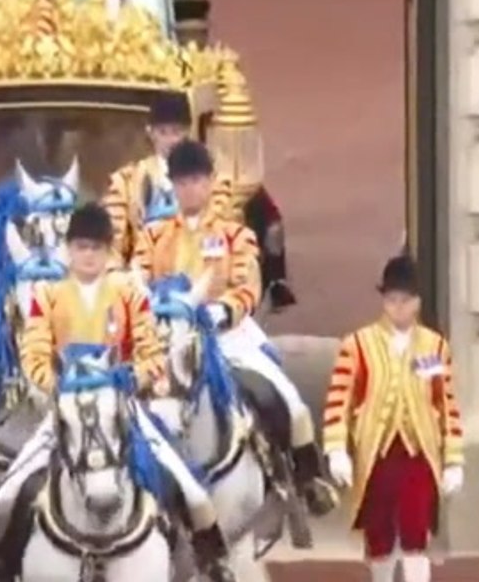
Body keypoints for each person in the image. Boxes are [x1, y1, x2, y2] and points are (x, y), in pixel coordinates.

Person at [0, 202, 234, 582]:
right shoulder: (47, 294)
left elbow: (152, 352)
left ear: (108, 252)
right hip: (67, 410)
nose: (88, 256)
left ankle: (212, 559)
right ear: (69, 250)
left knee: (193, 490)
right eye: (81, 247)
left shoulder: (128, 293)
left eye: (96, 248)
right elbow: (33, 353)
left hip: (122, 407)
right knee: (6, 493)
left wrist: (131, 378)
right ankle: (1, 565)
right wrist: (59, 386)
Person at [131, 140, 334, 515]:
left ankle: (307, 479)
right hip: (169, 335)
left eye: (196, 180)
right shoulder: (153, 235)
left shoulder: (236, 235)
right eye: (182, 182)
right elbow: (137, 283)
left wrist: (223, 311)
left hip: (225, 331)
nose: (190, 189)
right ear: (173, 186)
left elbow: (248, 284)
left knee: (289, 400)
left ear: (210, 182)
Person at [323, 256, 464, 582]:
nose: (398, 307)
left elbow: (447, 405)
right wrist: (336, 449)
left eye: (405, 300)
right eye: (391, 300)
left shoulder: (435, 346)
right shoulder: (357, 344)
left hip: (419, 454)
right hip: (376, 455)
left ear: (417, 302)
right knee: (379, 535)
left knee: (416, 532)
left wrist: (454, 460)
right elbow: (339, 400)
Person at [172, 0, 298, 311]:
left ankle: (275, 280)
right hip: (176, 160)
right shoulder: (163, 64)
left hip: (219, 161)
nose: (194, 40)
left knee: (269, 219)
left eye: (199, 33)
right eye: (188, 34)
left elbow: (237, 121)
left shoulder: (221, 66)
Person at [102, 96, 199, 269]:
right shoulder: (127, 181)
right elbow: (113, 242)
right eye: (163, 132)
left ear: (188, 132)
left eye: (176, 132)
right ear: (151, 132)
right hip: (143, 269)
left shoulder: (209, 181)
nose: (170, 140)